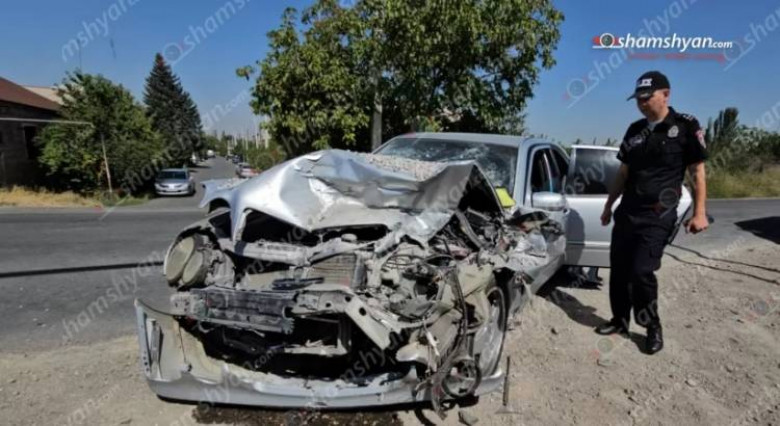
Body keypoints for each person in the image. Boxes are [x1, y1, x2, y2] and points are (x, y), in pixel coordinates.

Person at [595, 70, 709, 354]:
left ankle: (652, 325)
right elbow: (623, 173)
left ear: (666, 94)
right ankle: (620, 320)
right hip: (628, 211)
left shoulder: (685, 125)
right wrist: (609, 206)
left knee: (641, 271)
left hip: (658, 215)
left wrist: (700, 212)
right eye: (638, 99)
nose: (642, 103)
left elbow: (697, 172)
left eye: (647, 97)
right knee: (619, 270)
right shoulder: (635, 130)